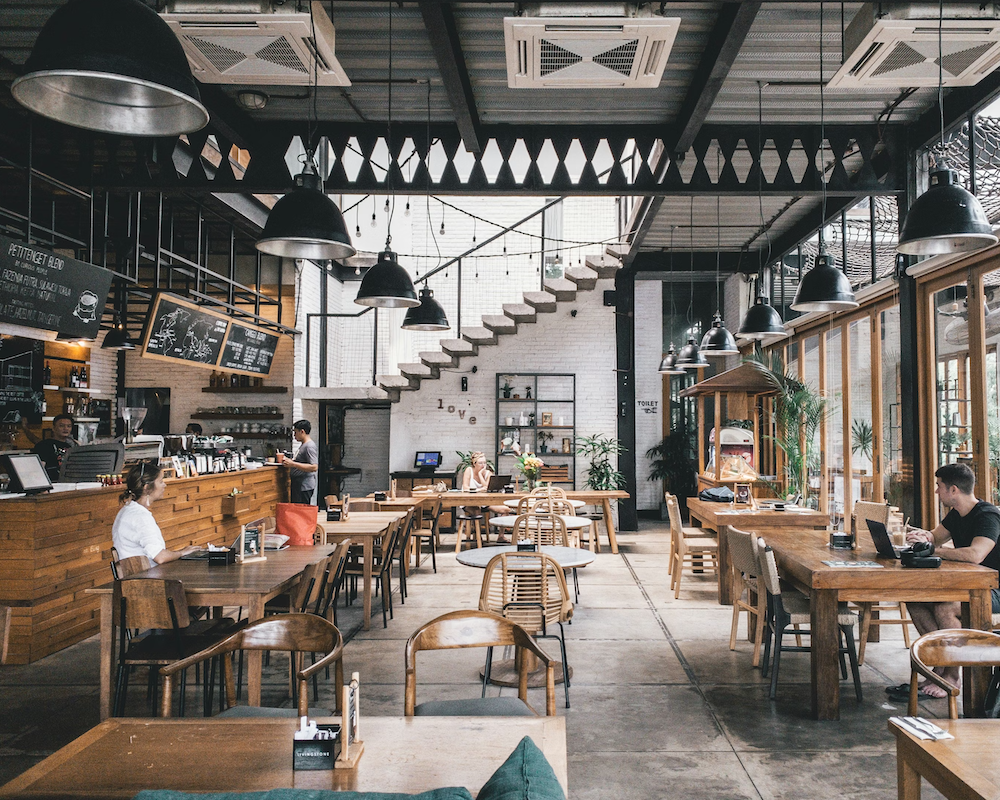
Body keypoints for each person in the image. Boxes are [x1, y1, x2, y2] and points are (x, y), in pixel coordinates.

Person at [892, 462, 1000, 699]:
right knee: (916, 600)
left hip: (993, 589)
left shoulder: (988, 515)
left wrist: (933, 551)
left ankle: (952, 675)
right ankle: (939, 667)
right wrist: (923, 536)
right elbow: (935, 537)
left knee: (945, 607)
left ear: (953, 490)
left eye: (939, 486)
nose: (936, 491)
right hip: (972, 586)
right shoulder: (956, 515)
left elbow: (975, 554)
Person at [112, 460, 202, 563]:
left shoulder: (127, 510)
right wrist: (182, 553)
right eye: (160, 481)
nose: (164, 485)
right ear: (147, 488)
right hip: (145, 577)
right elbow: (160, 557)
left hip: (138, 575)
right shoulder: (140, 517)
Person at [461, 451, 510, 541]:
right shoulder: (469, 470)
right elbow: (465, 487)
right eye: (480, 463)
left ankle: (501, 536)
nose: (483, 465)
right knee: (476, 510)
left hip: (485, 502)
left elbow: (487, 488)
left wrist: (480, 475)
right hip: (469, 502)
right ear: (474, 463)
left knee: (505, 509)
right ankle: (478, 538)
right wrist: (479, 490)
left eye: (484, 463)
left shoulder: (488, 473)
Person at [31, 413, 76, 481]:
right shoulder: (44, 445)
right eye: (61, 426)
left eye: (69, 426)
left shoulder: (70, 446)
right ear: (53, 428)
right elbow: (38, 469)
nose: (65, 428)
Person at [283, 419, 318, 504]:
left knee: (301, 511)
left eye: (295, 432)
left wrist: (293, 464)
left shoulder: (309, 446)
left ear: (302, 431)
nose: (294, 435)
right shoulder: (304, 445)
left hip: (304, 485)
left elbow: (314, 467)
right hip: (299, 484)